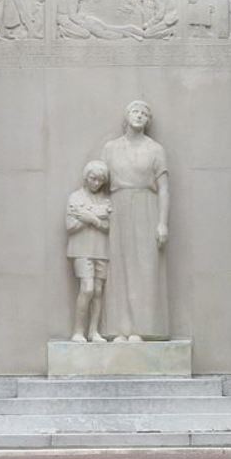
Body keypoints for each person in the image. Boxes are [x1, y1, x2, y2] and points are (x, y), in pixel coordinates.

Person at [102, 100, 169, 342]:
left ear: (148, 121)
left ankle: (143, 328)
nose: (139, 116)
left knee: (145, 268)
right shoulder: (110, 148)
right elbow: (99, 183)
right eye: (135, 111)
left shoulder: (155, 149)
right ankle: (121, 329)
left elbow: (163, 189)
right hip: (117, 207)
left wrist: (162, 222)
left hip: (146, 206)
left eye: (144, 113)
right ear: (127, 116)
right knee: (118, 268)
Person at [66, 160, 112, 343]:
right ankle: (78, 331)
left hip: (101, 249)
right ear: (86, 178)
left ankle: (94, 331)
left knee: (98, 291)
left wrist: (89, 217)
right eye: (93, 179)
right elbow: (70, 226)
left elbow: (108, 226)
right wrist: (96, 215)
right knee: (87, 288)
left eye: (100, 180)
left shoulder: (105, 200)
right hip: (81, 250)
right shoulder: (75, 198)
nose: (96, 183)